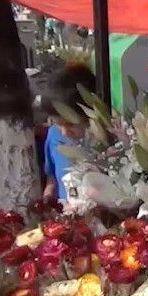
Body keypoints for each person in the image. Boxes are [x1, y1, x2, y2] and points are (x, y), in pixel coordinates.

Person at [39, 63, 96, 201]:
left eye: (70, 124)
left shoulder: (107, 141)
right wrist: (47, 199)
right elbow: (52, 180)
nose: (64, 132)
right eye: (58, 124)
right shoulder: (53, 135)